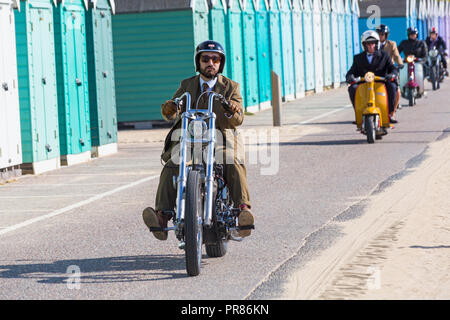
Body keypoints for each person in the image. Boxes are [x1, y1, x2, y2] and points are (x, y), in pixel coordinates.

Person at [142, 40, 254, 240]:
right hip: (192, 138)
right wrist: (171, 108)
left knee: (231, 160)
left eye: (215, 59)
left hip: (220, 136)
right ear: (198, 62)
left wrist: (231, 109)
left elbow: (238, 119)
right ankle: (162, 216)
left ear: (221, 63)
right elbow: (173, 109)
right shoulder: (187, 85)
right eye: (205, 59)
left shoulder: (230, 87)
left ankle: (242, 211)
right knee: (173, 163)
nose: (210, 63)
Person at [346, 30, 398, 123]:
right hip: (364, 84)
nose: (371, 45)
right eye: (368, 43)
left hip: (381, 83)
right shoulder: (358, 58)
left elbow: (392, 68)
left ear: (377, 43)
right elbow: (351, 71)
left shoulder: (384, 55)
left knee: (393, 86)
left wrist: (392, 74)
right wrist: (350, 77)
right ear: (364, 45)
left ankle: (389, 114)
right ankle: (358, 114)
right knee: (352, 88)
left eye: (373, 43)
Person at [376, 24, 403, 122]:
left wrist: (400, 63)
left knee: (397, 90)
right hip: (377, 72)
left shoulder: (392, 44)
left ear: (386, 35)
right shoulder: (373, 44)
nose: (380, 36)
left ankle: (392, 113)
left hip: (390, 71)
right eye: (378, 34)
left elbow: (396, 55)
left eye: (382, 34)